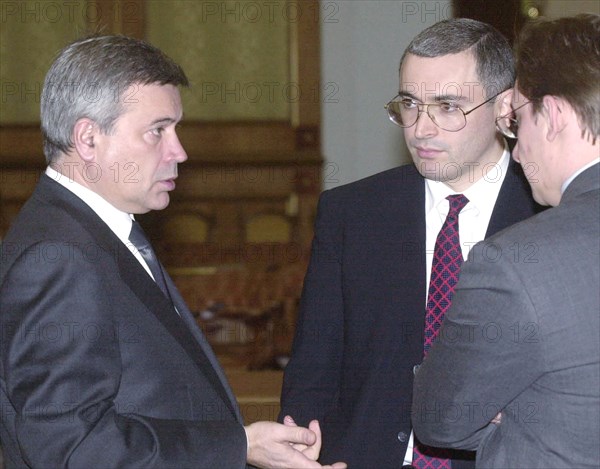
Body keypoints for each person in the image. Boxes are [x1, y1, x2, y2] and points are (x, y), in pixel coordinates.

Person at [0, 35, 346, 469]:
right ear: (88, 139)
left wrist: (246, 443)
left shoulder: (91, 235)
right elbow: (72, 448)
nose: (178, 151)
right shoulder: (58, 257)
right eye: (157, 130)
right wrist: (238, 446)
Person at [279, 18, 545, 468]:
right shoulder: (353, 213)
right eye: (410, 104)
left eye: (447, 107)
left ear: (505, 109)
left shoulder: (549, 216)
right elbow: (313, 368)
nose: (421, 129)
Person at [412, 14, 600, 469]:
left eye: (516, 121)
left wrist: (509, 410)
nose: (515, 150)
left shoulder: (517, 262)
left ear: (552, 115)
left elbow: (441, 420)